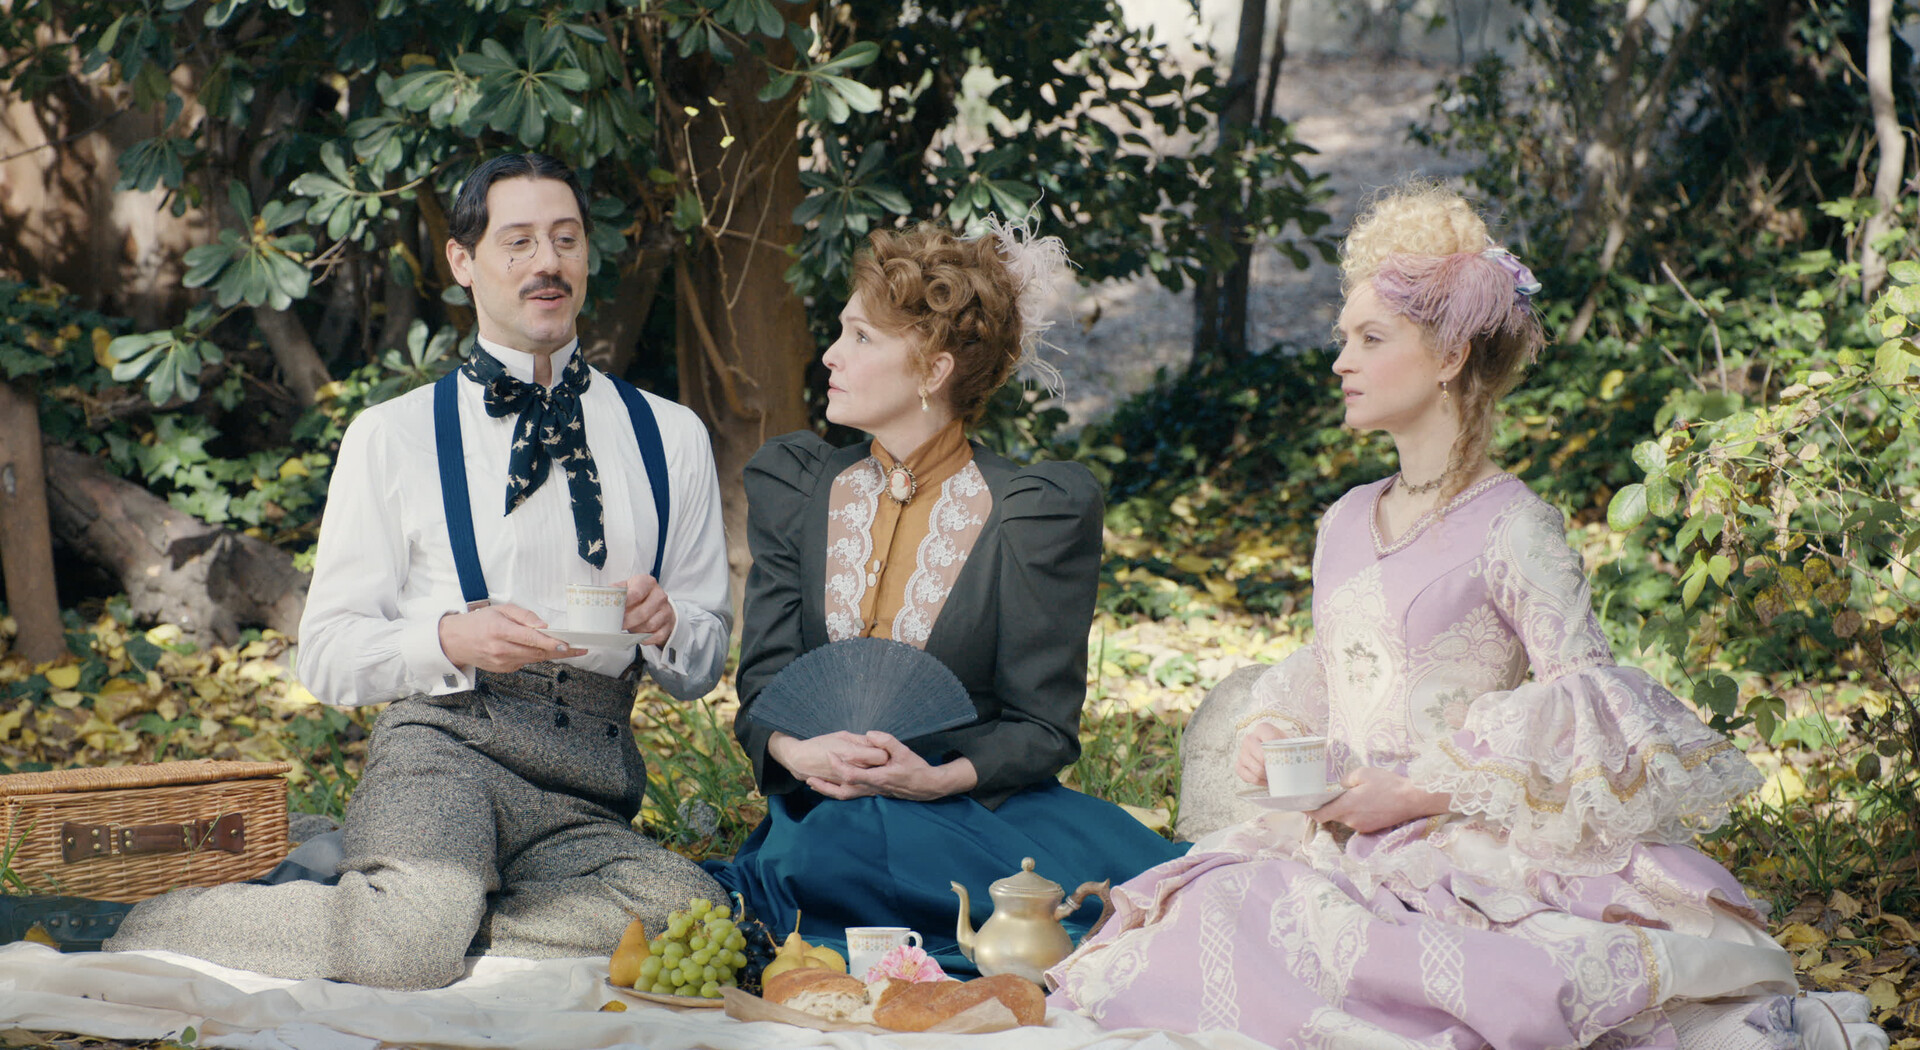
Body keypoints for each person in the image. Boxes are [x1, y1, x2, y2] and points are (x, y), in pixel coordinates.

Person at [1046, 182, 1889, 1050]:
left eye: (1371, 340)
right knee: (1207, 908)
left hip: (1463, 843)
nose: (1341, 361)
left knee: (1383, 950)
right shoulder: (1342, 521)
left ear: (1449, 355)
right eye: (1345, 338)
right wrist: (1273, 723)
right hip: (1333, 834)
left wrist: (1416, 790)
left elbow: (1586, 705)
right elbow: (1331, 666)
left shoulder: (1514, 525)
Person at [90, 153, 733, 990]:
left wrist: (673, 625)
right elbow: (325, 655)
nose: (547, 262)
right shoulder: (392, 435)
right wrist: (448, 636)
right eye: (520, 241)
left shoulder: (668, 436)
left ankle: (395, 896)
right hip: (444, 752)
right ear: (462, 263)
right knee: (408, 951)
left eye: (566, 240)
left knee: (692, 913)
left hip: (585, 783)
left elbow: (706, 657)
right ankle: (175, 921)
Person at [706, 220, 1184, 970]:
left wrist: (932, 779)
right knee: (826, 852)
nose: (831, 354)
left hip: (973, 817)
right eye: (841, 332)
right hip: (823, 824)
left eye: (861, 336)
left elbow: (1041, 726)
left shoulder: (1029, 511)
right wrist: (799, 752)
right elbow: (765, 684)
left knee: (1152, 913)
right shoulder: (800, 488)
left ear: (932, 368)